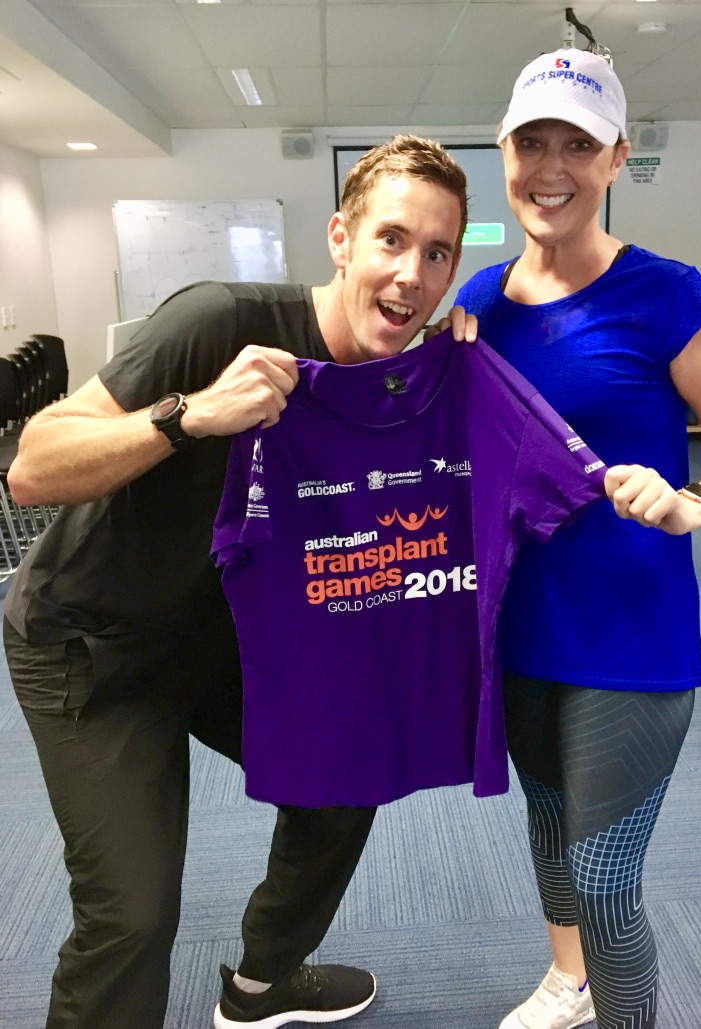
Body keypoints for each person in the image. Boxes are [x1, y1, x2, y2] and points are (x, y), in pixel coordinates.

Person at [3, 134, 471, 1029]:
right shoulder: (220, 321)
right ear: (341, 238)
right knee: (133, 916)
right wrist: (191, 414)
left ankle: (263, 984)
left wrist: (459, 359)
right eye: (391, 239)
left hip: (220, 637)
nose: (411, 275)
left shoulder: (399, 378)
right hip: (90, 644)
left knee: (349, 772)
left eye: (437, 252)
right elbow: (32, 464)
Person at [450, 47, 701, 1029]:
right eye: (531, 143)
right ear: (503, 151)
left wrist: (693, 502)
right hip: (518, 625)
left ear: (617, 157)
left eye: (577, 146)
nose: (551, 169)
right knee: (549, 830)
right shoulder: (477, 303)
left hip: (631, 635)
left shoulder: (667, 295)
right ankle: (569, 982)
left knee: (605, 877)